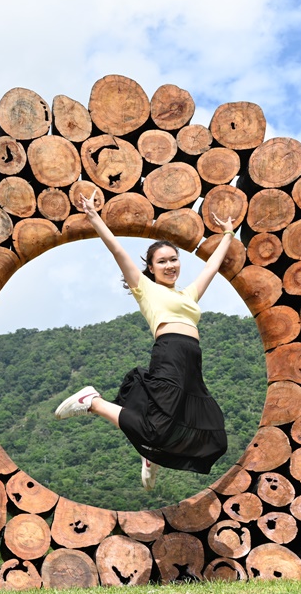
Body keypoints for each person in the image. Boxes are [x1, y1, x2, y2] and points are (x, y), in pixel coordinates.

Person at [54, 189, 237, 490]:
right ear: (151, 268)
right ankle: (92, 402)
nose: (170, 265)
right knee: (158, 426)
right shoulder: (146, 289)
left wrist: (228, 234)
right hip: (170, 353)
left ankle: (149, 455)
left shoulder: (187, 294)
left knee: (213, 432)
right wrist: (94, 217)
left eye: (174, 260)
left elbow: (212, 267)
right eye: (162, 262)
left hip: (192, 363)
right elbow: (118, 251)